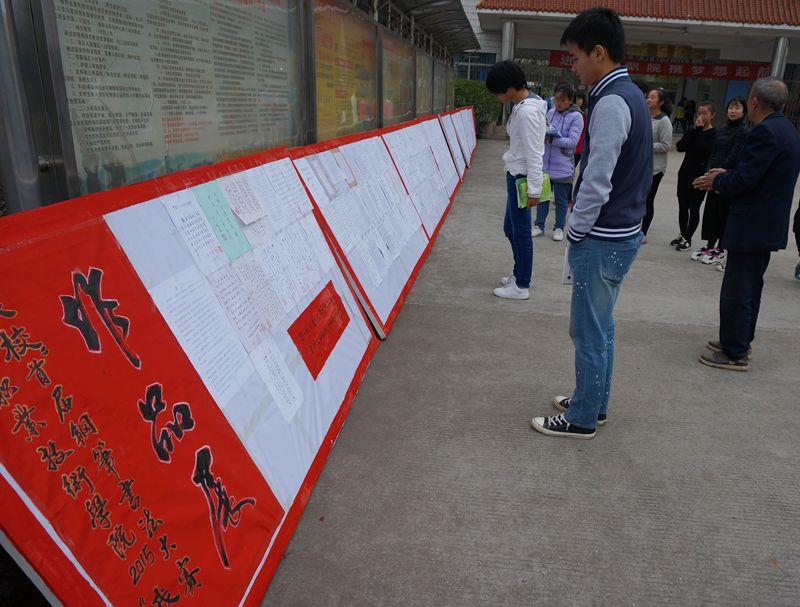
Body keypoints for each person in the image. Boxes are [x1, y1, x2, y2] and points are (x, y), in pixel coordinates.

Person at [530, 7, 652, 439]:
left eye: (577, 56)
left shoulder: (612, 101)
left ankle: (582, 417)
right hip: (621, 232)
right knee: (601, 327)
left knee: (588, 331)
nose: (574, 66)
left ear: (598, 53)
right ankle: (592, 402)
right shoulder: (630, 94)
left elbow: (598, 178)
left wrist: (576, 230)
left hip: (603, 237)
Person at [693, 78, 800, 371]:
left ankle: (735, 351)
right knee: (750, 287)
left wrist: (718, 181)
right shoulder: (787, 129)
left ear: (753, 101)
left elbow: (746, 179)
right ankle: (739, 339)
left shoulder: (764, 131)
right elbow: (758, 173)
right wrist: (726, 173)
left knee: (738, 289)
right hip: (765, 223)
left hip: (752, 224)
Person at [485, 60, 546, 300]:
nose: (497, 96)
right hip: (515, 174)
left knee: (520, 232)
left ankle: (521, 285)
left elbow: (535, 153)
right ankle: (518, 273)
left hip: (522, 177)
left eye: (497, 91)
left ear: (509, 86)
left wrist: (534, 190)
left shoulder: (528, 112)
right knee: (510, 228)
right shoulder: (524, 105)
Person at [691, 97, 749, 265]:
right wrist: (709, 172)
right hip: (714, 177)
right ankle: (710, 245)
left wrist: (718, 173)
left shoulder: (743, 131)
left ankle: (721, 248)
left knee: (723, 214)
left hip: (728, 178)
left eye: (737, 108)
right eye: (731, 107)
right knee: (711, 212)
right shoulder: (722, 129)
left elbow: (735, 156)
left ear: (744, 111)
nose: (733, 111)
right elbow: (714, 152)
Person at [534, 82, 584, 241]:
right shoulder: (550, 112)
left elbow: (572, 142)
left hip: (563, 167)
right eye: (556, 99)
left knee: (561, 201)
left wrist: (552, 139)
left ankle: (559, 228)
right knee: (543, 197)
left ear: (570, 100)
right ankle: (539, 225)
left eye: (563, 100)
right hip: (545, 165)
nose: (559, 103)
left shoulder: (577, 117)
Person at [672, 101, 716, 251]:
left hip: (700, 176)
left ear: (712, 115)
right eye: (699, 113)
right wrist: (694, 130)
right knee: (683, 206)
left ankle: (688, 238)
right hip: (685, 173)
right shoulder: (693, 130)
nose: (701, 116)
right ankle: (683, 233)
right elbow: (680, 147)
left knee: (694, 207)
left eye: (705, 113)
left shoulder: (714, 134)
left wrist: (698, 131)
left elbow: (704, 149)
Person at [642, 88, 674, 244]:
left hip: (656, 168)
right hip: (642, 165)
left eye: (653, 97)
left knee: (648, 199)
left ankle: (643, 232)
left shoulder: (664, 121)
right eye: (648, 96)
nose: (648, 99)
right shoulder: (645, 116)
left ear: (661, 102)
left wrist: (646, 145)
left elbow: (666, 145)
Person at [574, 91, 588, 165]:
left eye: (579, 99)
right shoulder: (571, 112)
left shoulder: (586, 112)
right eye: (576, 99)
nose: (577, 102)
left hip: (581, 140)